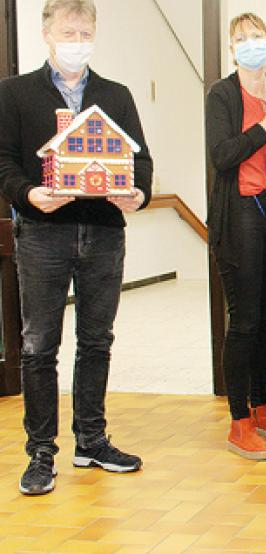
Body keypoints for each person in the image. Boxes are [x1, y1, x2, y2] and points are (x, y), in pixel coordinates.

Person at [0, 0, 152, 495]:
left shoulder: (116, 95)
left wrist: (138, 194)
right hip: (42, 235)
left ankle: (91, 439)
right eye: (68, 32)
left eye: (85, 32)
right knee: (39, 345)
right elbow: (3, 164)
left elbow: (140, 162)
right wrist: (28, 194)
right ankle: (41, 452)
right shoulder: (15, 93)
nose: (77, 41)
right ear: (47, 34)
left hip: (105, 232)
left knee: (96, 341)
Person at [205, 13, 266, 461]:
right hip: (239, 211)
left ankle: (261, 405)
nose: (250, 44)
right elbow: (222, 156)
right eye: (241, 38)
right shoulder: (221, 94)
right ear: (231, 47)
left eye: (256, 36)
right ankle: (239, 419)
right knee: (242, 321)